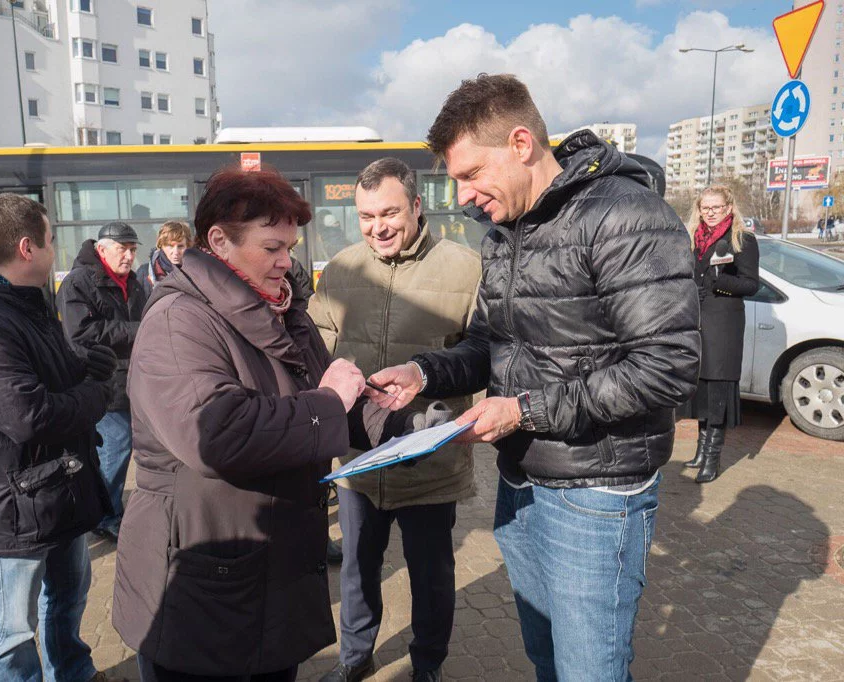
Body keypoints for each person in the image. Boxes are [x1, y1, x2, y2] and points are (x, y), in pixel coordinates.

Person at [367, 74, 700, 680]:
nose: (464, 197)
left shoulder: (624, 216)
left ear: (521, 142)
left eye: (471, 175)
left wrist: (523, 411)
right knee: (548, 660)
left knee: (588, 671)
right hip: (522, 483)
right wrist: (423, 372)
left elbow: (667, 366)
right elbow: (490, 345)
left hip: (597, 495)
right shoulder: (506, 231)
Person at [111, 166, 420, 682]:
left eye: (290, 248)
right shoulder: (179, 319)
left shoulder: (283, 311)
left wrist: (410, 425)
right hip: (202, 585)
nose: (286, 262)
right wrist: (328, 400)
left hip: (273, 577)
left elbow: (334, 405)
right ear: (219, 242)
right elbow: (216, 433)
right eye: (273, 247)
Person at [309, 158, 481, 682]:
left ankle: (427, 664)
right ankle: (354, 659)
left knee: (432, 576)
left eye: (388, 212)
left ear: (416, 206)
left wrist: (427, 378)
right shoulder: (340, 269)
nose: (377, 227)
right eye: (364, 216)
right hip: (359, 458)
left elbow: (485, 351)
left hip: (430, 459)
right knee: (359, 570)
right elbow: (316, 346)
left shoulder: (466, 267)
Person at [0, 193, 119, 682]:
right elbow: (28, 414)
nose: (56, 249)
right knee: (12, 632)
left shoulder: (24, 304)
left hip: (56, 488)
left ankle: (73, 673)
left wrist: (84, 365)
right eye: (51, 240)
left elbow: (46, 374)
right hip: (14, 507)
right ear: (26, 247)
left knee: (67, 599)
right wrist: (97, 393)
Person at [58, 222, 147, 542]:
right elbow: (80, 335)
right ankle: (105, 515)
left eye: (133, 250)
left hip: (132, 379)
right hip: (101, 380)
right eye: (122, 249)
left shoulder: (135, 282)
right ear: (102, 250)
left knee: (118, 448)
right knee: (117, 447)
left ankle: (104, 508)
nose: (128, 256)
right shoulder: (78, 283)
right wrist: (137, 331)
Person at [681, 186, 759, 483]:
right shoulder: (694, 239)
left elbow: (752, 284)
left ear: (729, 207)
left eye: (716, 207)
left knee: (717, 392)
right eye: (705, 208)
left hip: (724, 326)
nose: (710, 213)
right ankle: (700, 451)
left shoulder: (742, 240)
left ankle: (712, 459)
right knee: (702, 388)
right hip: (698, 322)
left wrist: (720, 282)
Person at [137, 220, 192, 292]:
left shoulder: (197, 271)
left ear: (188, 246)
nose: (175, 252)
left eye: (180, 246)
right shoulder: (144, 272)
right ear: (161, 246)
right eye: (170, 246)